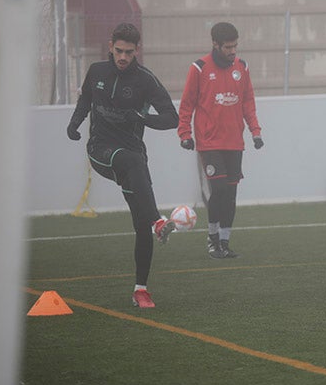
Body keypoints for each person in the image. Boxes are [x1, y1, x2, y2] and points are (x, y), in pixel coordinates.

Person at [66, 23, 180, 308]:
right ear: (110, 46)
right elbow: (85, 100)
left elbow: (171, 118)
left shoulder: (145, 80)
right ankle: (159, 220)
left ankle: (141, 290)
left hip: (133, 156)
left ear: (137, 51)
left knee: (140, 223)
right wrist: (74, 124)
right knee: (131, 161)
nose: (123, 57)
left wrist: (141, 119)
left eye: (129, 52)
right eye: (119, 51)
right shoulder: (97, 72)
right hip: (100, 149)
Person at [177, 21, 263, 259]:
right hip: (210, 142)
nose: (233, 51)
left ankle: (224, 242)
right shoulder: (200, 68)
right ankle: (212, 239)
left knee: (231, 194)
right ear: (215, 44)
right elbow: (187, 104)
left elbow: (248, 102)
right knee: (220, 188)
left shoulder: (242, 68)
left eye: (235, 46)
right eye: (228, 47)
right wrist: (185, 134)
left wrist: (255, 131)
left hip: (235, 142)